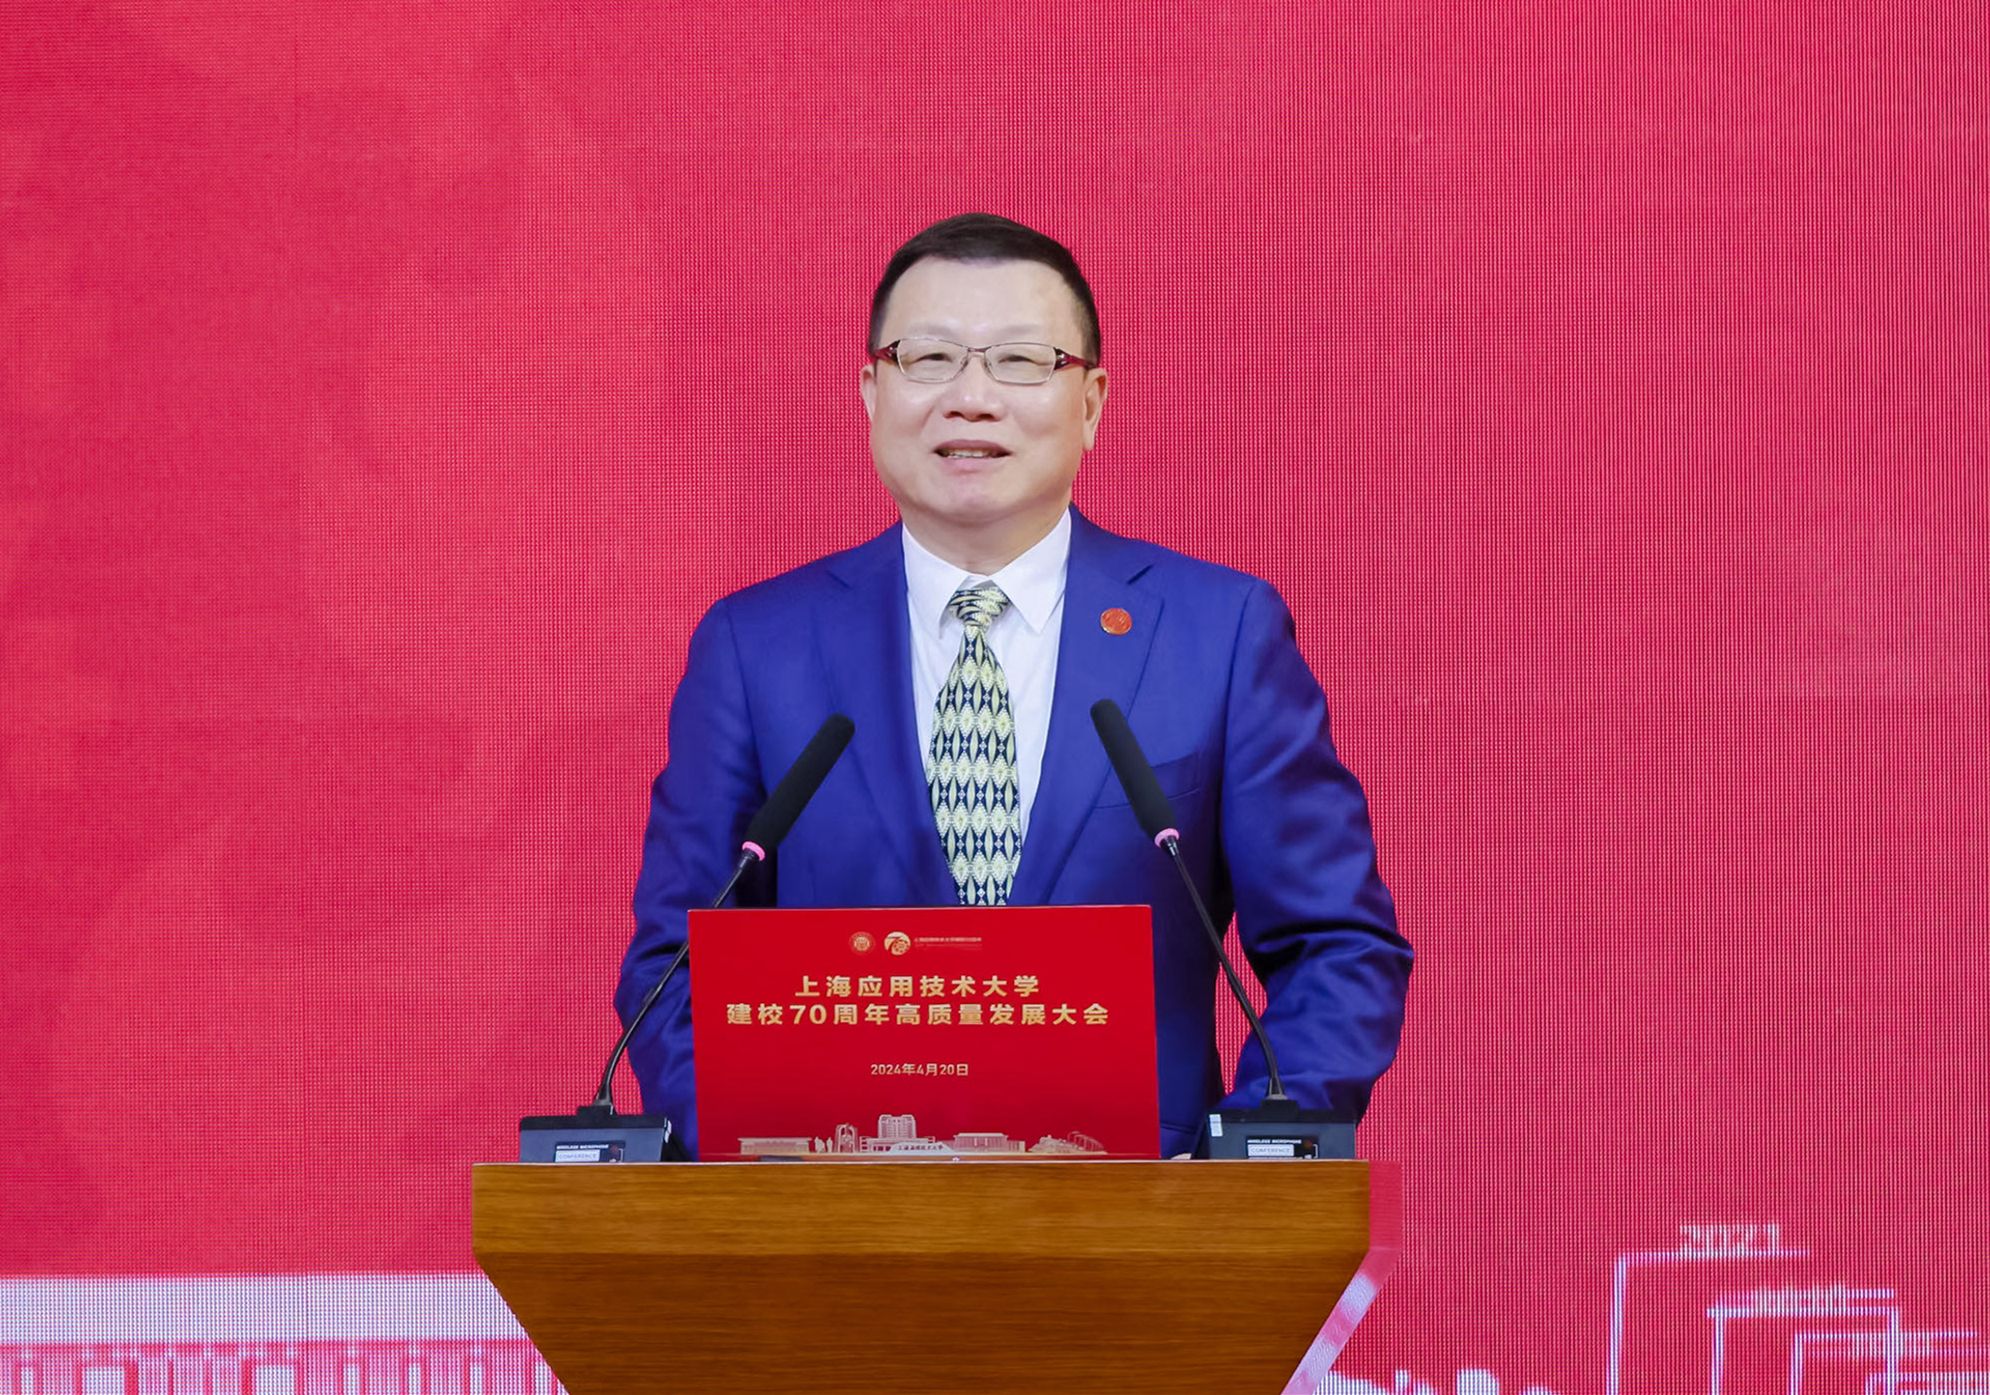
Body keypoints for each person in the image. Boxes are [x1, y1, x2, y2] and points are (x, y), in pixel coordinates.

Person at [617, 212, 1411, 1158]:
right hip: (828, 1219)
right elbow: (674, 964)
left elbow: (1335, 946)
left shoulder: (1218, 634)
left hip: (1141, 1220)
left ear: (1092, 401)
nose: (972, 398)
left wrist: (1233, 1173)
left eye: (1022, 362)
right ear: (871, 391)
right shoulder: (757, 647)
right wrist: (766, 1161)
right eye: (930, 359)